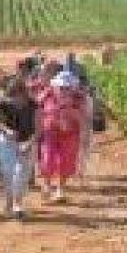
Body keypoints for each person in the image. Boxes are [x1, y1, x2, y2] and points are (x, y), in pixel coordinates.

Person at [37, 71, 89, 203]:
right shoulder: (46, 96)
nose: (64, 90)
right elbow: (37, 110)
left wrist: (71, 110)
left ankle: (60, 189)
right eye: (61, 87)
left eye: (67, 87)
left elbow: (83, 119)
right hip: (50, 132)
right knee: (47, 158)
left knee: (66, 162)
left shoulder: (79, 99)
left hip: (70, 134)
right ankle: (47, 185)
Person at [0, 76, 37, 219]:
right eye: (11, 97)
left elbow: (39, 128)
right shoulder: (4, 103)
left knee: (22, 174)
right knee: (8, 171)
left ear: (23, 94)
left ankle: (18, 203)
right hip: (7, 141)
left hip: (27, 141)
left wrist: (29, 143)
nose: (14, 101)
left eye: (16, 97)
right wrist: (6, 130)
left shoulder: (33, 105)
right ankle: (9, 202)